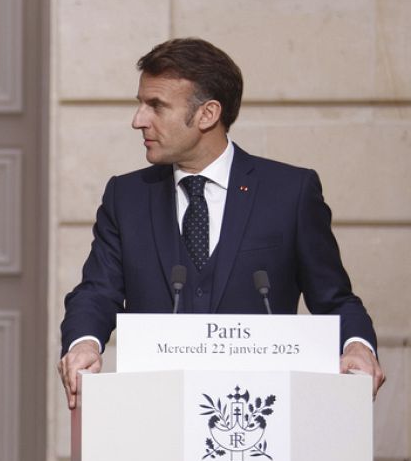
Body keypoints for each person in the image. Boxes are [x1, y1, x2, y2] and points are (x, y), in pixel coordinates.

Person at [58, 38, 384, 409]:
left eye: (156, 106)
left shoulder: (290, 192)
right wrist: (83, 342)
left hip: (261, 420)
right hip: (153, 416)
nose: (138, 120)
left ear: (207, 114)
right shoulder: (126, 196)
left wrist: (358, 345)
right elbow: (97, 292)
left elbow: (335, 299)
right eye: (140, 103)